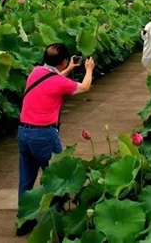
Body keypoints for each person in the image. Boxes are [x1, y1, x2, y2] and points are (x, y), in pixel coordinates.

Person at [17, 43, 95, 236]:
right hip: (44, 134)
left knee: (26, 180)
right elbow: (85, 87)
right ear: (63, 61)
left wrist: (68, 69)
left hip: (23, 132)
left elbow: (51, 80)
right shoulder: (59, 83)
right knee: (59, 177)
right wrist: (89, 69)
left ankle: (23, 221)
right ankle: (58, 220)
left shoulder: (36, 72)